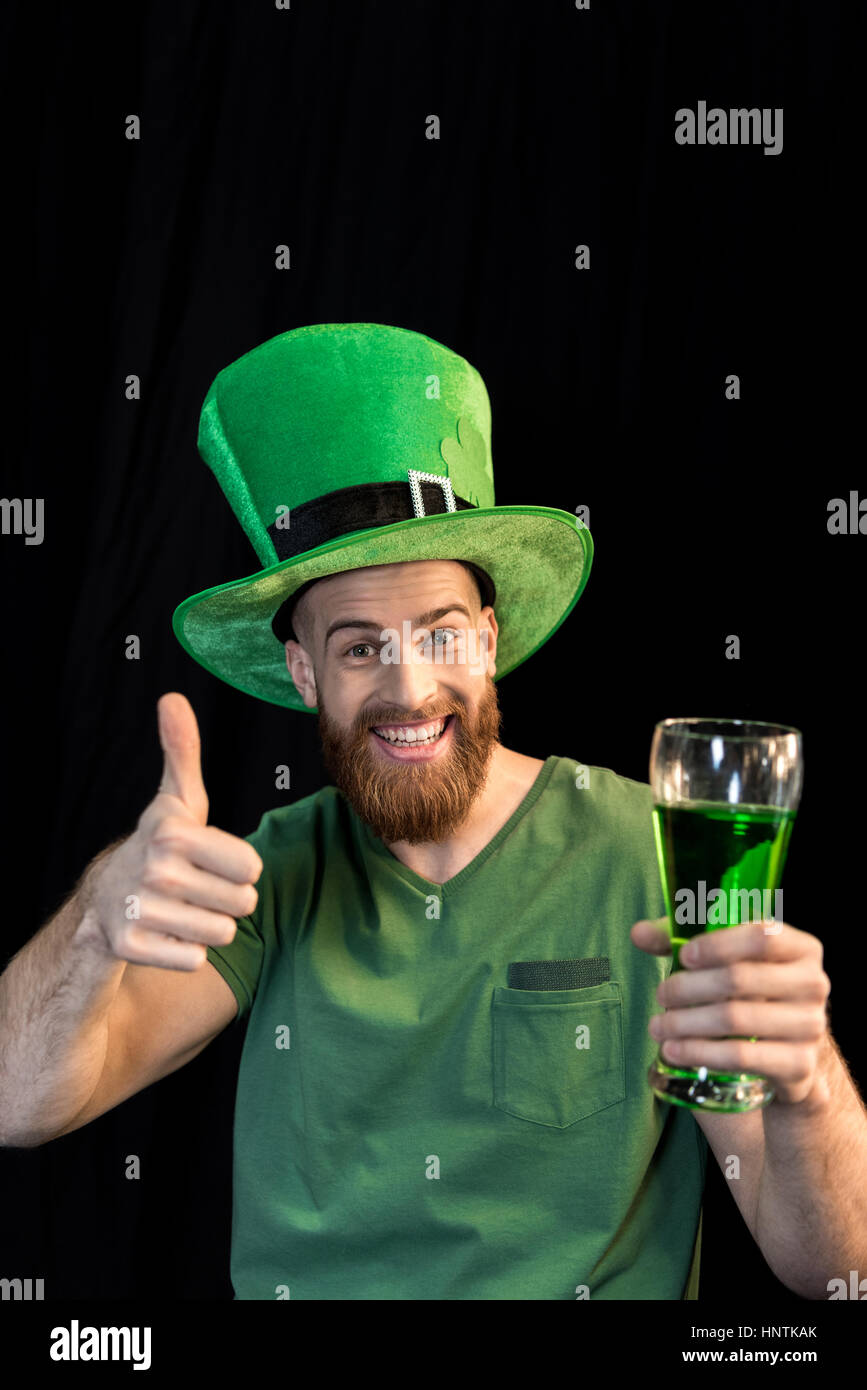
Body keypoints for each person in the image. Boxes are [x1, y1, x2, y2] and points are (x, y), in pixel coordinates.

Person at [0, 325, 860, 1302]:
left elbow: (833, 1269)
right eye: (361, 648)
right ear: (304, 672)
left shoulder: (651, 846)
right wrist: (95, 921)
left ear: (489, 641)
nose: (410, 688)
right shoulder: (270, 873)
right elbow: (17, 1101)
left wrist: (808, 1079)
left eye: (441, 634)